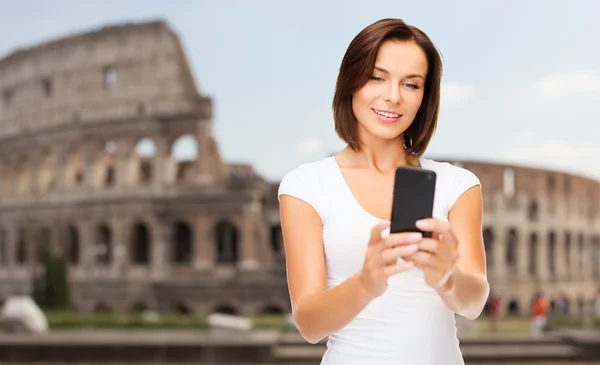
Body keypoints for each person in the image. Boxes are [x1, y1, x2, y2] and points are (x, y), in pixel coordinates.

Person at [278, 18, 489, 365]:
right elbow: (309, 324)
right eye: (377, 77)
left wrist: (447, 276)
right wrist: (366, 283)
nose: (393, 96)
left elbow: (474, 302)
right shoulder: (306, 186)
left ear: (425, 97)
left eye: (411, 84)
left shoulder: (457, 184)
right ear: (350, 81)